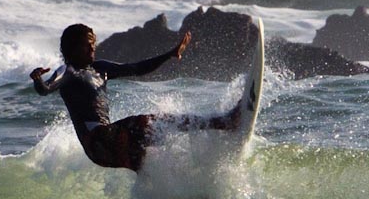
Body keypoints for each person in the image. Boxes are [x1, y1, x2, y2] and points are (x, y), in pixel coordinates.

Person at [29, 23, 240, 172]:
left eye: (93, 42)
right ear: (72, 48)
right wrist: (38, 79)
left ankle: (190, 189)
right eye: (87, 44)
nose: (92, 47)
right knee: (149, 123)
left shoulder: (100, 69)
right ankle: (224, 121)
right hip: (98, 143)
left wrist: (169, 54)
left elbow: (137, 68)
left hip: (112, 143)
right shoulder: (68, 71)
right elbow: (46, 89)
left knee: (151, 163)